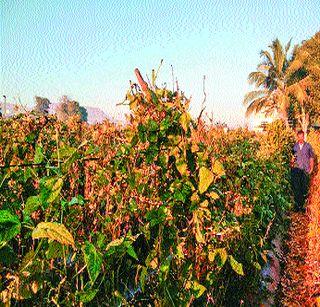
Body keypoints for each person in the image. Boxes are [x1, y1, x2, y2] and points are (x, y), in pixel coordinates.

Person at [290, 130, 315, 212]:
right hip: (296, 170)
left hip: (305, 170)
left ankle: (304, 206)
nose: (301, 138)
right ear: (297, 137)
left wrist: (311, 169)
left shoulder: (308, 146)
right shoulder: (295, 147)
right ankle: (298, 206)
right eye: (299, 137)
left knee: (304, 188)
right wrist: (292, 164)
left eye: (302, 137)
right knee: (297, 188)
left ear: (304, 137)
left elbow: (311, 157)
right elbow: (293, 158)